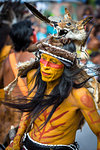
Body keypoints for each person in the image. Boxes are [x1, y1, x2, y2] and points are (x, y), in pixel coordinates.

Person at [3, 4, 100, 150]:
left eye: (53, 62)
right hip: (27, 144)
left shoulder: (80, 96)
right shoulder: (34, 78)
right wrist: (17, 140)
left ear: (65, 67)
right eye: (44, 59)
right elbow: (28, 112)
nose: (45, 66)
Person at [0, 20, 35, 145]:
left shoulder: (7, 60)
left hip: (7, 112)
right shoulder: (33, 59)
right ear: (30, 37)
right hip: (25, 115)